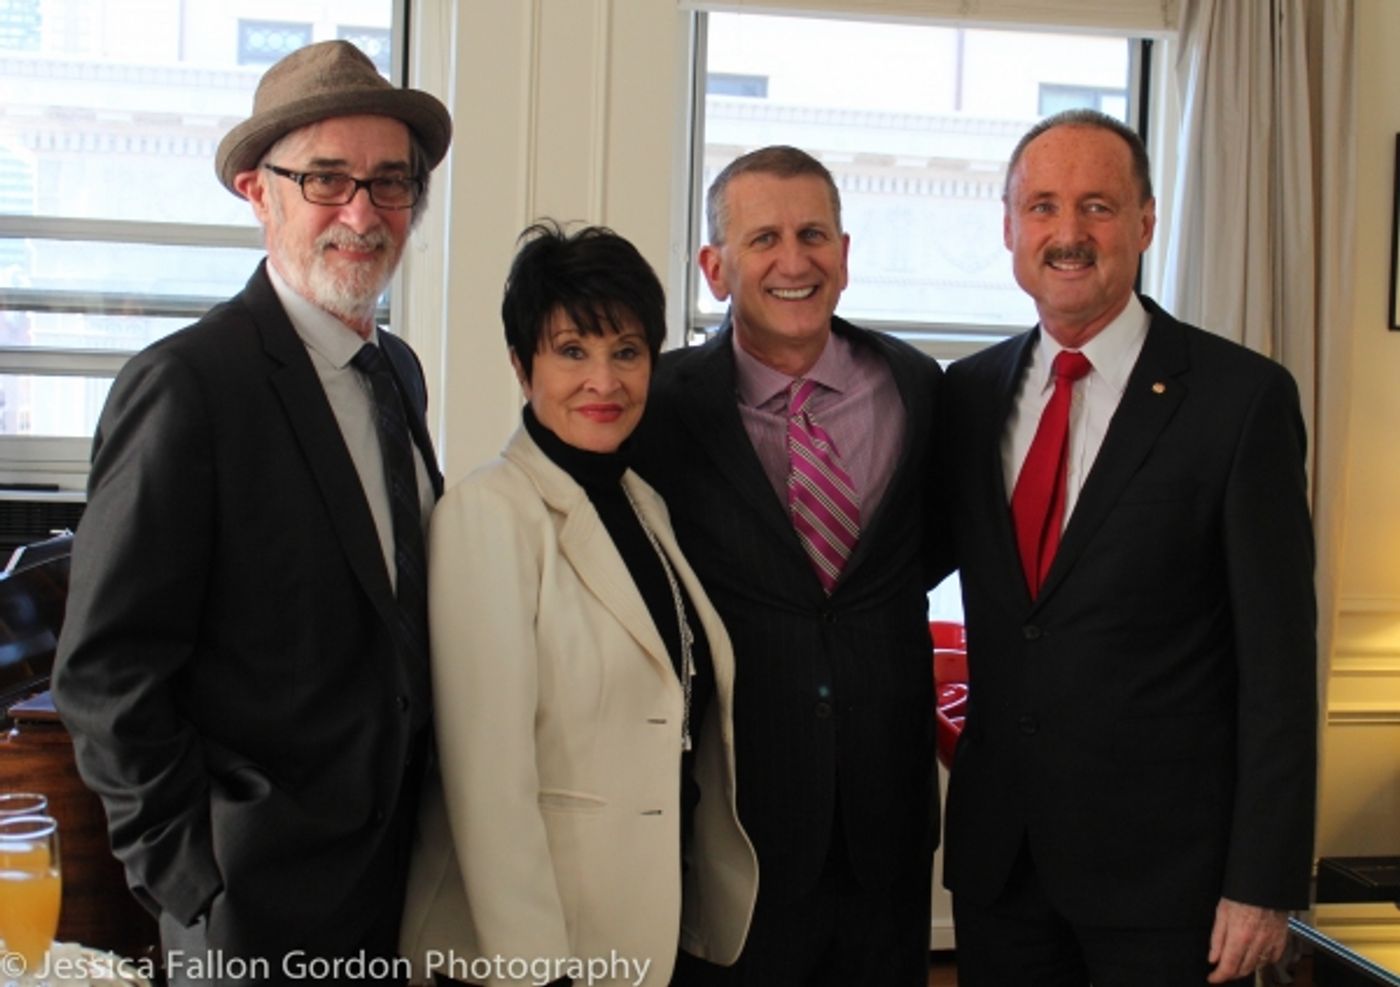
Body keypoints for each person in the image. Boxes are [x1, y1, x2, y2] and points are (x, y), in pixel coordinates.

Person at [52, 40, 451, 981]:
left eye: (390, 182)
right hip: (252, 904)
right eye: (326, 179)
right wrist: (191, 881)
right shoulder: (188, 384)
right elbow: (107, 672)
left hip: (403, 882)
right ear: (255, 189)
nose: (363, 211)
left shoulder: (398, 373)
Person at [940, 108, 1317, 986]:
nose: (1068, 233)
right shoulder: (966, 395)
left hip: (1170, 885)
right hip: (1003, 869)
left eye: (1097, 206)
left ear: (1146, 222)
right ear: (1008, 229)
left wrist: (1262, 881)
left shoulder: (1239, 399)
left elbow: (1279, 663)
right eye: (1041, 207)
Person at [398, 222, 757, 987]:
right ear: (522, 366)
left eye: (626, 352)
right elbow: (486, 782)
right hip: (524, 954)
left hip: (640, 931)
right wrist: (537, 974)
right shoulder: (486, 514)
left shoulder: (641, 501)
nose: (606, 380)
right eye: (572, 352)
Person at [633, 146, 943, 986]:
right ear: (715, 267)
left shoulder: (922, 390)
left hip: (887, 824)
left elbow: (932, 548)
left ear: (845, 251)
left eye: (814, 234)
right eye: (763, 237)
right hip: (730, 823)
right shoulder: (655, 408)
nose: (794, 259)